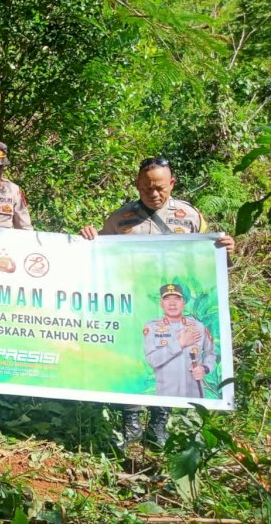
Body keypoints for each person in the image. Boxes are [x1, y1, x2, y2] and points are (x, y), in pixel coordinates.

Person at [80, 156, 234, 450]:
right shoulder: (120, 219)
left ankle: (159, 425)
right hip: (133, 304)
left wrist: (225, 251)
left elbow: (207, 263)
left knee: (171, 365)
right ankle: (132, 425)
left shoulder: (190, 218)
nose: (153, 194)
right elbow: (97, 258)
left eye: (160, 187)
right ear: (137, 185)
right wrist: (88, 239)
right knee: (133, 363)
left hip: (172, 307)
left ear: (172, 184)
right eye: (147, 187)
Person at [144, 284, 216, 398]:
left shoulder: (198, 327)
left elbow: (211, 353)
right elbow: (152, 360)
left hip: (195, 397)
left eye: (177, 298)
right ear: (161, 303)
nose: (172, 303)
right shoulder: (152, 327)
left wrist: (204, 368)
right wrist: (179, 344)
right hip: (165, 399)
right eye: (167, 298)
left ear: (184, 303)